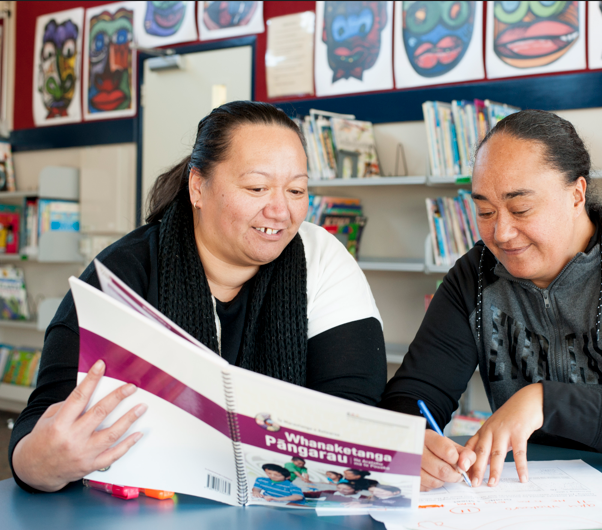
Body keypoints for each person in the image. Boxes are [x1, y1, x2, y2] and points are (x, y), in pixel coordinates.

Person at [9, 101, 387, 493]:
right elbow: (39, 432)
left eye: (296, 190)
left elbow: (354, 415)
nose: (280, 210)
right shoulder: (124, 272)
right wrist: (46, 463)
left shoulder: (321, 259)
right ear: (198, 187)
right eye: (257, 188)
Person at [378, 109, 602, 491]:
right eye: (485, 211)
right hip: (538, 492)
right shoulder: (474, 277)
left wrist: (549, 402)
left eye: (521, 208)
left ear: (576, 193)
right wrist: (414, 439)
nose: (501, 233)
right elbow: (414, 394)